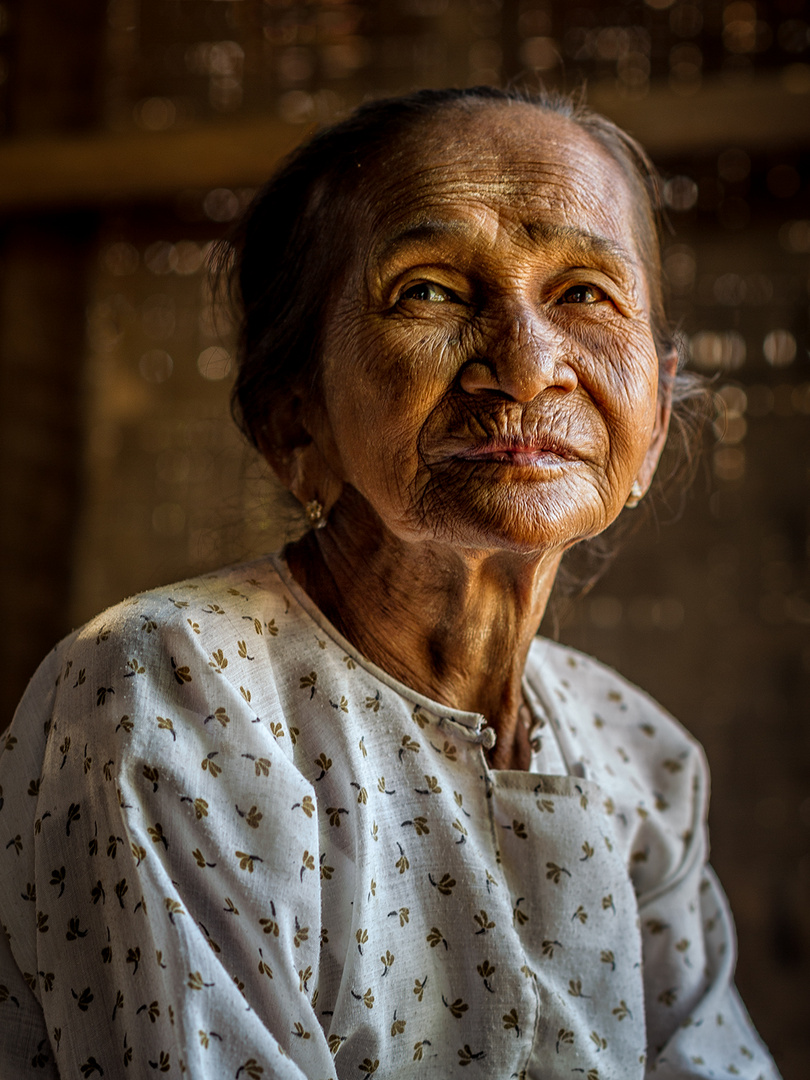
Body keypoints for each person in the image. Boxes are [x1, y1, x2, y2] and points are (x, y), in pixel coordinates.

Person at [0, 87, 781, 1080]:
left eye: (584, 291)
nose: (529, 367)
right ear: (298, 423)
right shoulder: (168, 695)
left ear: (655, 424)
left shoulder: (640, 757)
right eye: (431, 292)